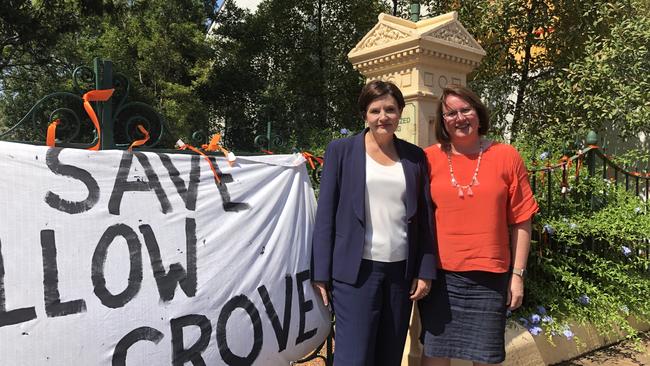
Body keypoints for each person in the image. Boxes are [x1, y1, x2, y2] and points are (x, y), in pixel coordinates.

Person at [311, 80, 437, 366]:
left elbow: (425, 218)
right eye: (375, 110)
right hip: (355, 274)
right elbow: (326, 214)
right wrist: (320, 272)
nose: (383, 117)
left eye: (390, 109)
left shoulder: (414, 157)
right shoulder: (341, 151)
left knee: (389, 356)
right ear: (365, 115)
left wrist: (425, 269)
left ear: (400, 112)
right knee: (353, 358)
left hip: (400, 274)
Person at [418, 85, 538, 366]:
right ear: (443, 120)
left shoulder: (506, 156)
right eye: (451, 113)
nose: (459, 118)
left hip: (490, 275)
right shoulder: (428, 159)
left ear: (478, 113)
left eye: (465, 110)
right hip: (441, 276)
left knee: (486, 356)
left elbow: (522, 220)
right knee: (435, 352)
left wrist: (517, 275)